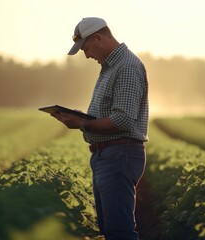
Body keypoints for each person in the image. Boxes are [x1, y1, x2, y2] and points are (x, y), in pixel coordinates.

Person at [51, 17, 149, 240]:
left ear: (98, 38)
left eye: (86, 48)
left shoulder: (126, 67)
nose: (86, 55)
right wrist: (79, 117)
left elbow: (123, 120)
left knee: (119, 232)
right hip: (108, 156)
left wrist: (83, 123)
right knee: (109, 230)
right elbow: (112, 114)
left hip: (119, 155)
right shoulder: (111, 66)